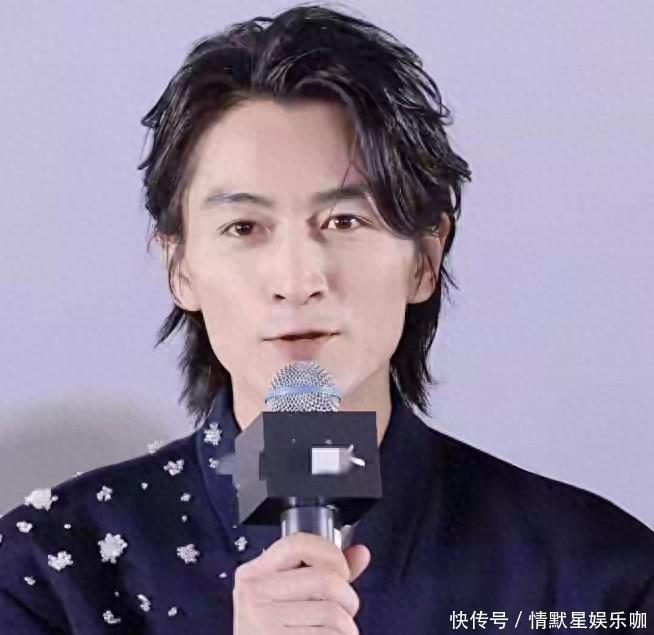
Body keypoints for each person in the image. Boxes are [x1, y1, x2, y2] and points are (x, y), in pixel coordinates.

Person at [1, 3, 652, 633]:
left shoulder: (594, 574)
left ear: (425, 258)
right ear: (180, 267)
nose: (296, 280)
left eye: (343, 220)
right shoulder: (50, 575)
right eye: (244, 227)